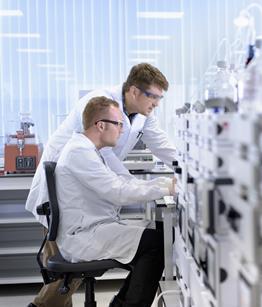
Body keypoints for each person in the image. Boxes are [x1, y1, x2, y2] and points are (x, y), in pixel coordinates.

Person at [26, 63, 176, 307]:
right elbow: (111, 176)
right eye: (154, 96)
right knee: (61, 282)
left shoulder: (140, 116)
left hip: (87, 209)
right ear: (135, 91)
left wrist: (187, 167)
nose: (157, 103)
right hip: (63, 201)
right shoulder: (101, 107)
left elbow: (162, 148)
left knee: (66, 280)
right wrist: (161, 186)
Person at [55, 96, 173, 307]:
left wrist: (163, 184)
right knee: (154, 244)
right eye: (118, 124)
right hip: (84, 235)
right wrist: (166, 187)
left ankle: (122, 303)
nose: (121, 130)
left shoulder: (89, 149)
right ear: (100, 125)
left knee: (156, 236)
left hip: (93, 227)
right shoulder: (79, 152)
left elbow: (120, 182)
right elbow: (117, 192)